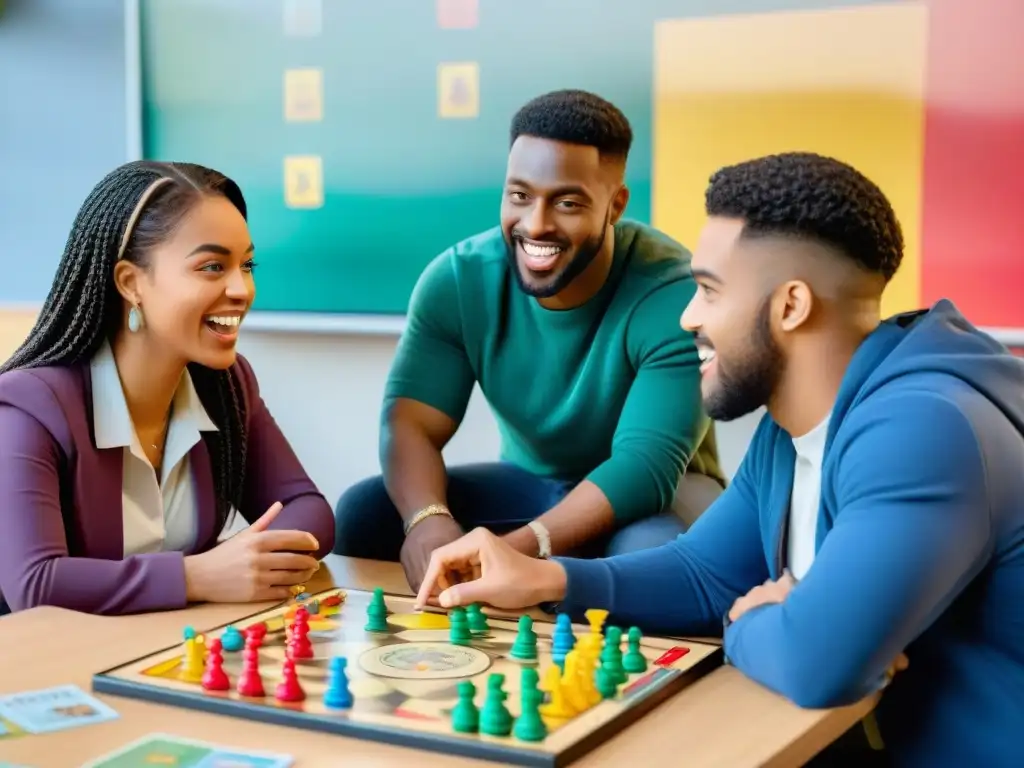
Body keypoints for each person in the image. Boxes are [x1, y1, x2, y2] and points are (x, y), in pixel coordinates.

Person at [411, 152, 1024, 766]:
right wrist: (548, 577)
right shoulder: (792, 429)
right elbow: (707, 573)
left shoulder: (923, 430)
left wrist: (750, 622)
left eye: (708, 291)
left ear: (790, 306)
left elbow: (815, 663)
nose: (687, 317)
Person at [334, 89, 723, 591]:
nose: (535, 224)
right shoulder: (457, 281)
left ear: (615, 204)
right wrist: (428, 520)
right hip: (531, 483)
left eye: (566, 202)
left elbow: (643, 468)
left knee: (650, 553)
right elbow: (411, 424)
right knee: (366, 514)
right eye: (519, 196)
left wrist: (511, 551)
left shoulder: (672, 292)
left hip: (662, 495)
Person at [0, 160, 336, 617]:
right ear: (130, 282)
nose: (242, 289)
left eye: (247, 264)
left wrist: (244, 563)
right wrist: (200, 574)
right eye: (213, 266)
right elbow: (35, 586)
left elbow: (308, 509)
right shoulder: (28, 407)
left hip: (161, 649)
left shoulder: (227, 386)